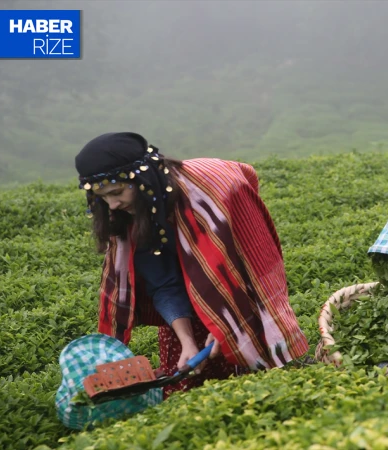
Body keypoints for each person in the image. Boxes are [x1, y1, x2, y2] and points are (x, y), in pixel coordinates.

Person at [75, 132, 309, 397]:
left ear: (143, 180)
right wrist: (187, 341)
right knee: (187, 378)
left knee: (259, 373)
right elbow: (163, 283)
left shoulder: (206, 201)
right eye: (103, 198)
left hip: (235, 268)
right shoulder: (129, 217)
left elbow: (239, 270)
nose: (113, 205)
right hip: (191, 292)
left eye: (116, 193)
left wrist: (225, 322)